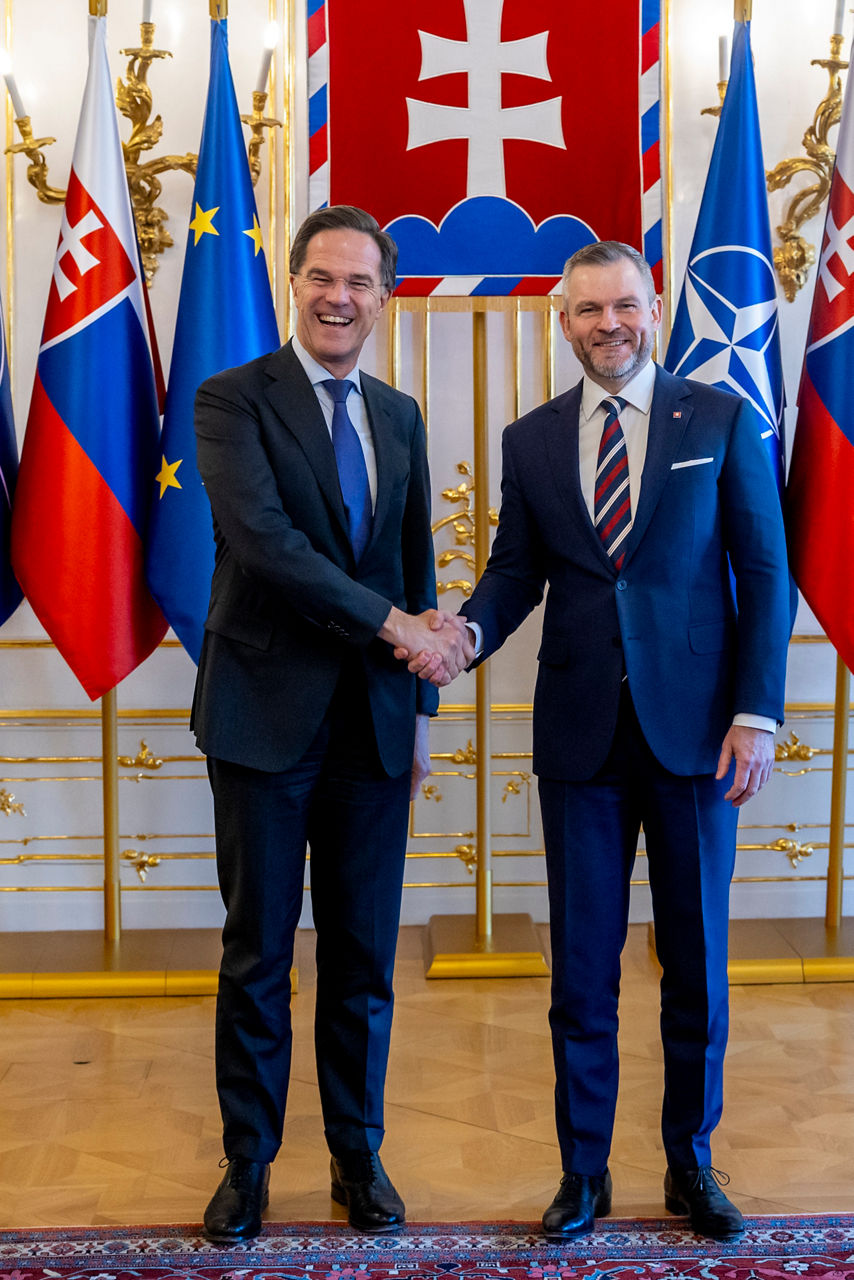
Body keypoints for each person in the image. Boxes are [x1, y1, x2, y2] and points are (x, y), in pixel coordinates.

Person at [401, 241, 790, 1240]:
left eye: (622, 306)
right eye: (587, 310)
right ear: (562, 321)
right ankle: (583, 1171)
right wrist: (464, 636)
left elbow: (764, 569)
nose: (607, 324)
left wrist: (755, 713)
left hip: (697, 737)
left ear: (651, 310)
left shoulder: (718, 418)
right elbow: (512, 574)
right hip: (579, 742)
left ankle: (690, 1162)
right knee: (581, 970)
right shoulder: (531, 439)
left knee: (695, 963)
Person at [192, 205, 469, 1243]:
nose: (337, 297)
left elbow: (411, 561)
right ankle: (247, 1163)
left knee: (361, 954)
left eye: (358, 282)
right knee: (258, 951)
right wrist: (395, 625)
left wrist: (422, 703)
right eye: (321, 277)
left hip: (374, 727)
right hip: (262, 716)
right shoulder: (232, 399)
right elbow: (265, 543)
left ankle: (358, 1152)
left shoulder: (398, 412)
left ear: (382, 297)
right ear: (294, 285)